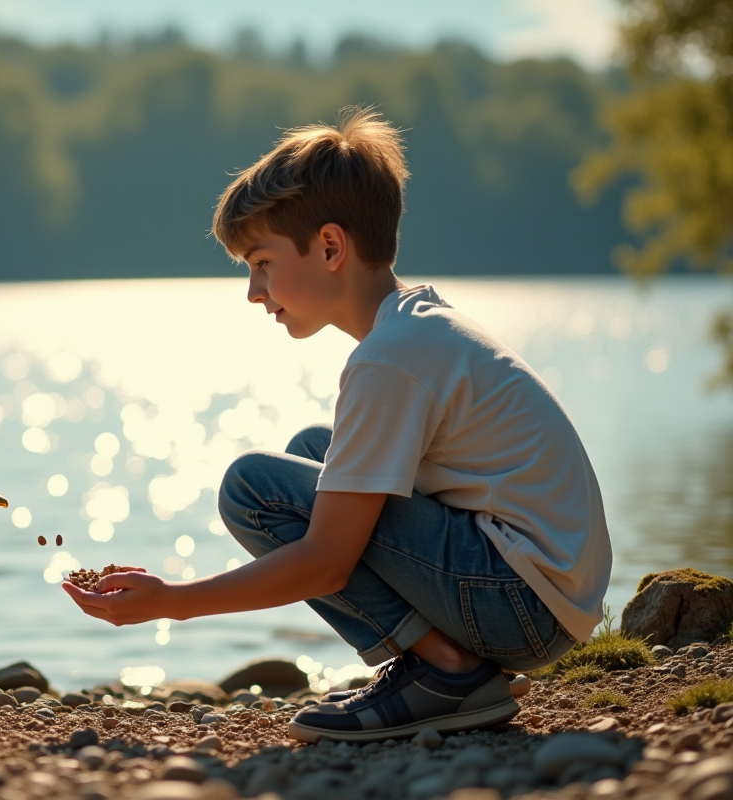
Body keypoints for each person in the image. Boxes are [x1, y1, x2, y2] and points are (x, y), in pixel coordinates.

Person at [62, 106, 611, 743]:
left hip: (521, 605)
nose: (253, 292)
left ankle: (445, 671)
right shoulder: (414, 325)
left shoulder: (390, 358)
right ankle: (444, 665)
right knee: (312, 454)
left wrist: (170, 602)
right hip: (540, 593)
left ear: (329, 247)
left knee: (255, 488)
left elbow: (325, 563)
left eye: (262, 263)